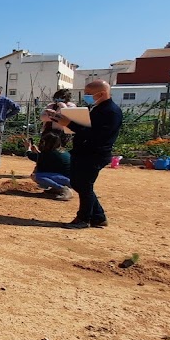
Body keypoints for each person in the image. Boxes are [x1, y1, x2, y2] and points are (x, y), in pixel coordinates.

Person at [48, 80, 123, 229]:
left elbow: (96, 134)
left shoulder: (111, 111)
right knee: (79, 183)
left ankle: (84, 219)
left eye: (89, 94)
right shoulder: (98, 108)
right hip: (84, 152)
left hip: (95, 154)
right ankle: (98, 217)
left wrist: (69, 123)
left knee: (84, 185)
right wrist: (60, 119)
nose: (87, 96)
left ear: (102, 93)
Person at [26, 131, 72, 199]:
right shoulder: (60, 152)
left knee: (36, 176)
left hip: (67, 180)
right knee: (45, 173)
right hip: (71, 179)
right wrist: (38, 152)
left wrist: (28, 148)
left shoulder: (49, 153)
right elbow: (43, 158)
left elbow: (32, 156)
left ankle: (63, 189)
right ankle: (55, 189)